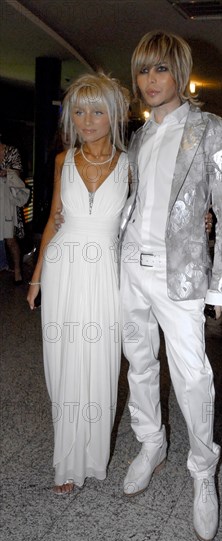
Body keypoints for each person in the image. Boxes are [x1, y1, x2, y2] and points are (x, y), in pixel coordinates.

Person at [119, 31, 222, 541]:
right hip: (130, 266)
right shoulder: (139, 135)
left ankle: (202, 470)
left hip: (182, 274)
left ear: (181, 75)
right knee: (139, 361)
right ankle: (151, 444)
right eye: (144, 70)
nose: (150, 80)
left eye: (160, 70)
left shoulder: (211, 129)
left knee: (192, 377)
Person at [27, 73, 130, 494]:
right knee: (63, 365)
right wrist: (36, 279)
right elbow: (52, 219)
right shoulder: (62, 161)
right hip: (63, 268)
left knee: (101, 364)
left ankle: (92, 455)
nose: (87, 121)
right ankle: (67, 463)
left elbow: (146, 220)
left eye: (97, 111)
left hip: (106, 272)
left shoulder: (130, 165)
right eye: (80, 112)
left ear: (114, 115)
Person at [0, 134, 24, 283]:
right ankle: (3, 264)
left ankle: (17, 270)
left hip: (7, 197)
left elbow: (18, 172)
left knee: (10, 238)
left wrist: (6, 172)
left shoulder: (11, 151)